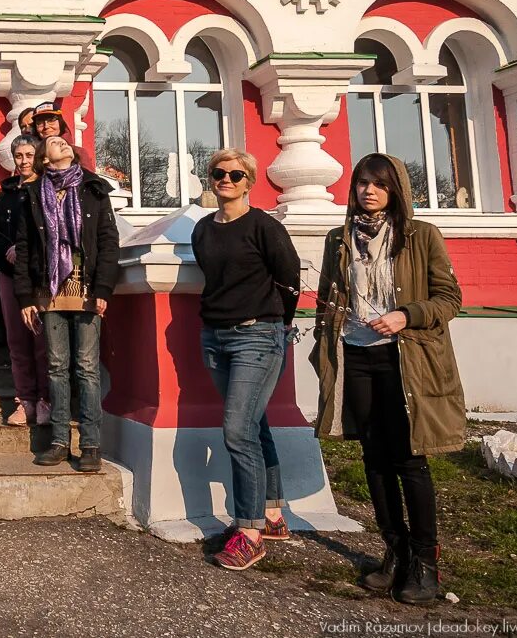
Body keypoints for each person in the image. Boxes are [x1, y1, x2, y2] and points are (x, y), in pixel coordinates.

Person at [313, 153, 465, 606]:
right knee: (373, 457)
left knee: (410, 460)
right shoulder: (338, 239)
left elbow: (449, 298)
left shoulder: (422, 236)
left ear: (395, 188)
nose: (369, 191)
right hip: (357, 359)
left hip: (406, 361)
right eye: (362, 183)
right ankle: (395, 552)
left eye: (379, 184)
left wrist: (405, 315)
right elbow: (327, 297)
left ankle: (426, 564)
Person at [189, 148, 299, 571]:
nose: (226, 180)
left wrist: (275, 326)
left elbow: (289, 279)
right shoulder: (203, 230)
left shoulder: (265, 227)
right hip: (214, 337)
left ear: (249, 181)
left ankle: (249, 531)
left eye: (236, 174)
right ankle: (271, 515)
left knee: (237, 430)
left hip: (258, 334)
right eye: (219, 173)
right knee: (253, 424)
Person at [15, 135, 119, 471]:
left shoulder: (93, 188)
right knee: (57, 368)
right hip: (49, 290)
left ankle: (90, 445)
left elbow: (108, 242)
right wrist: (25, 297)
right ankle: (59, 441)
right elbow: (26, 248)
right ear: (45, 159)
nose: (62, 143)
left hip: (85, 288)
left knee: (87, 368)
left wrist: (103, 289)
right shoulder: (33, 193)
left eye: (63, 141)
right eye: (54, 143)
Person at [0, 134, 51, 427]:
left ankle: (45, 400)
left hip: (40, 276)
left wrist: (23, 251)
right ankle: (23, 399)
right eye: (19, 156)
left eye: (28, 155)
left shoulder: (48, 188)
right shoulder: (6, 192)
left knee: (41, 341)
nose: (24, 161)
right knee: (17, 341)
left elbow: (53, 231)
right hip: (8, 273)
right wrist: (6, 251)